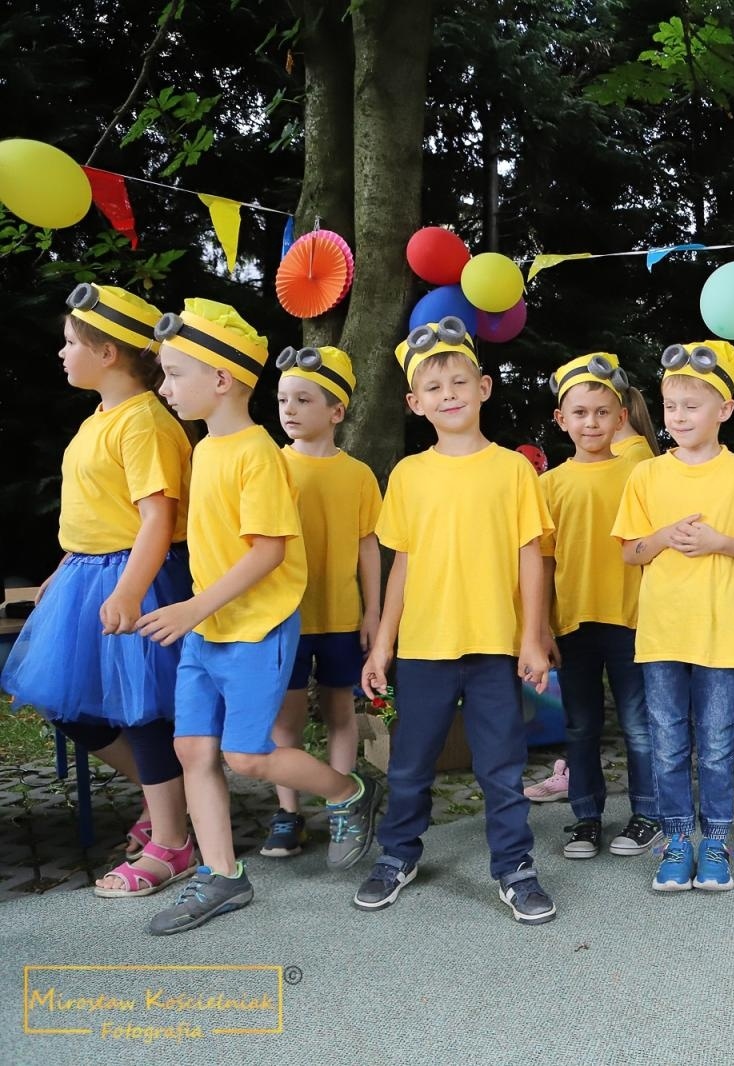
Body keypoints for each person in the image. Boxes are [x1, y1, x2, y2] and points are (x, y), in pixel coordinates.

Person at [140, 300, 378, 935]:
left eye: (173, 373)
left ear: (220, 379)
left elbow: (270, 551)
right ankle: (223, 876)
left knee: (247, 756)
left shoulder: (257, 454)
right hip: (208, 630)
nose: (163, 387)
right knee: (192, 747)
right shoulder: (206, 450)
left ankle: (348, 792)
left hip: (255, 631)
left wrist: (193, 607)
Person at [356, 317, 555, 924]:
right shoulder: (410, 475)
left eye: (459, 381)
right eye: (434, 386)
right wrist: (381, 646)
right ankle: (397, 854)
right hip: (424, 647)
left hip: (495, 645)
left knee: (501, 766)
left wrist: (532, 636)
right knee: (412, 762)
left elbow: (531, 559)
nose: (449, 394)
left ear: (484, 387)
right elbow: (401, 567)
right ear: (415, 403)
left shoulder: (513, 471)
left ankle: (515, 867)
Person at [2, 283, 197, 898]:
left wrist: (132, 591)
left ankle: (173, 842)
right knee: (70, 706)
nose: (61, 353)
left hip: (131, 576)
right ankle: (165, 798)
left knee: (138, 711)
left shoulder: (144, 424)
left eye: (69, 342)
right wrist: (63, 570)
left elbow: (156, 520)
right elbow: (97, 509)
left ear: (107, 351)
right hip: (87, 576)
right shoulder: (101, 417)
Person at [614, 340, 734, 889]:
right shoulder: (646, 477)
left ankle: (715, 841)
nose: (679, 417)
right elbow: (629, 550)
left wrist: (717, 541)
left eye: (692, 405)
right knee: (667, 741)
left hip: (722, 632)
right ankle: (677, 838)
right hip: (662, 632)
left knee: (716, 742)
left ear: (724, 411)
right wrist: (662, 536)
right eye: (671, 406)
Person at [541, 352, 661, 862]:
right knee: (580, 725)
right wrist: (540, 627)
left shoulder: (644, 475)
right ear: (561, 420)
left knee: (640, 725)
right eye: (580, 413)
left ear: (620, 417)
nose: (591, 423)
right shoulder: (547, 485)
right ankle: (585, 816)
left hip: (634, 619)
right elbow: (541, 563)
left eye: (601, 413)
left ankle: (649, 814)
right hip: (572, 622)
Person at [262, 345, 381, 858]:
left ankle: (342, 806)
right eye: (284, 398)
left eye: (303, 399)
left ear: (336, 411)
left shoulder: (357, 475)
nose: (289, 409)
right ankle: (287, 814)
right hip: (284, 617)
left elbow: (367, 544)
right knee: (284, 720)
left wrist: (373, 611)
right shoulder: (271, 467)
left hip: (338, 616)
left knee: (339, 711)